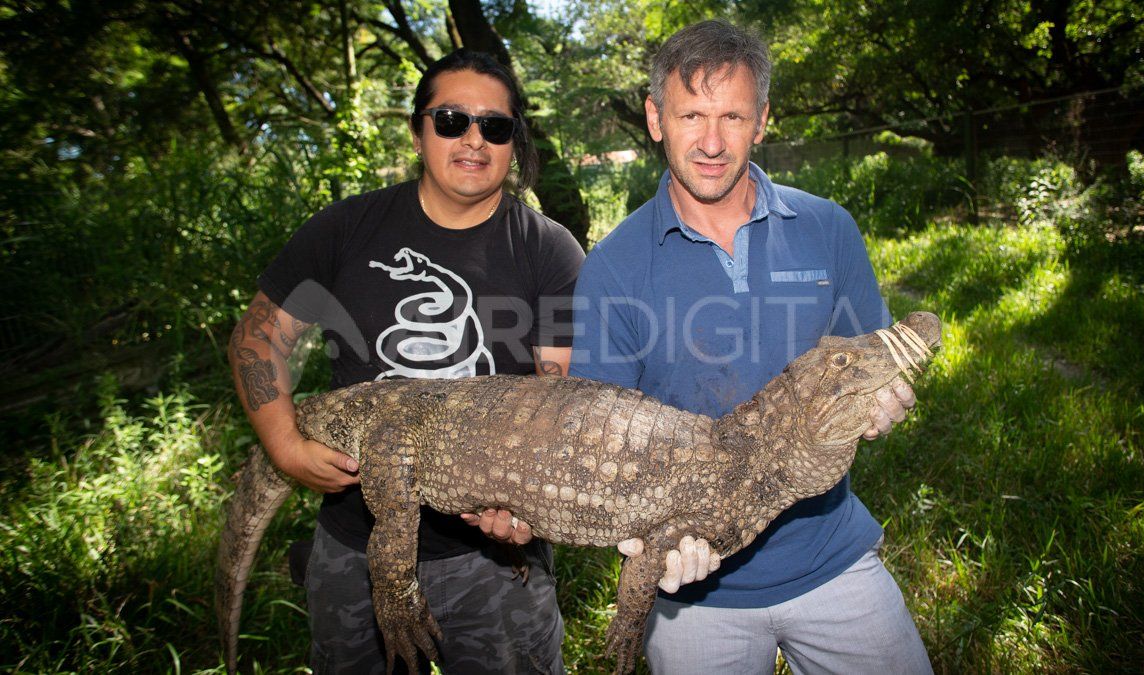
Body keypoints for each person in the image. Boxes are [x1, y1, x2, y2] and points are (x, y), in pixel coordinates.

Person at [570, 20, 934, 674]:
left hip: (832, 554)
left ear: (762, 121)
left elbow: (872, 364)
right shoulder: (612, 268)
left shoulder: (828, 228)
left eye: (733, 116)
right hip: (695, 592)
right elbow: (602, 442)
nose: (712, 142)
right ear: (655, 119)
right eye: (691, 115)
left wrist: (887, 398)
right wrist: (655, 532)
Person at [228, 49, 584, 674]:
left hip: (495, 562)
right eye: (451, 120)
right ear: (419, 131)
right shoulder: (346, 228)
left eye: (495, 126)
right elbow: (258, 339)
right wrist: (284, 448)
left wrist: (533, 512)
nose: (474, 139)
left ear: (513, 142)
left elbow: (560, 401)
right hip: (355, 543)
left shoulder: (549, 249)